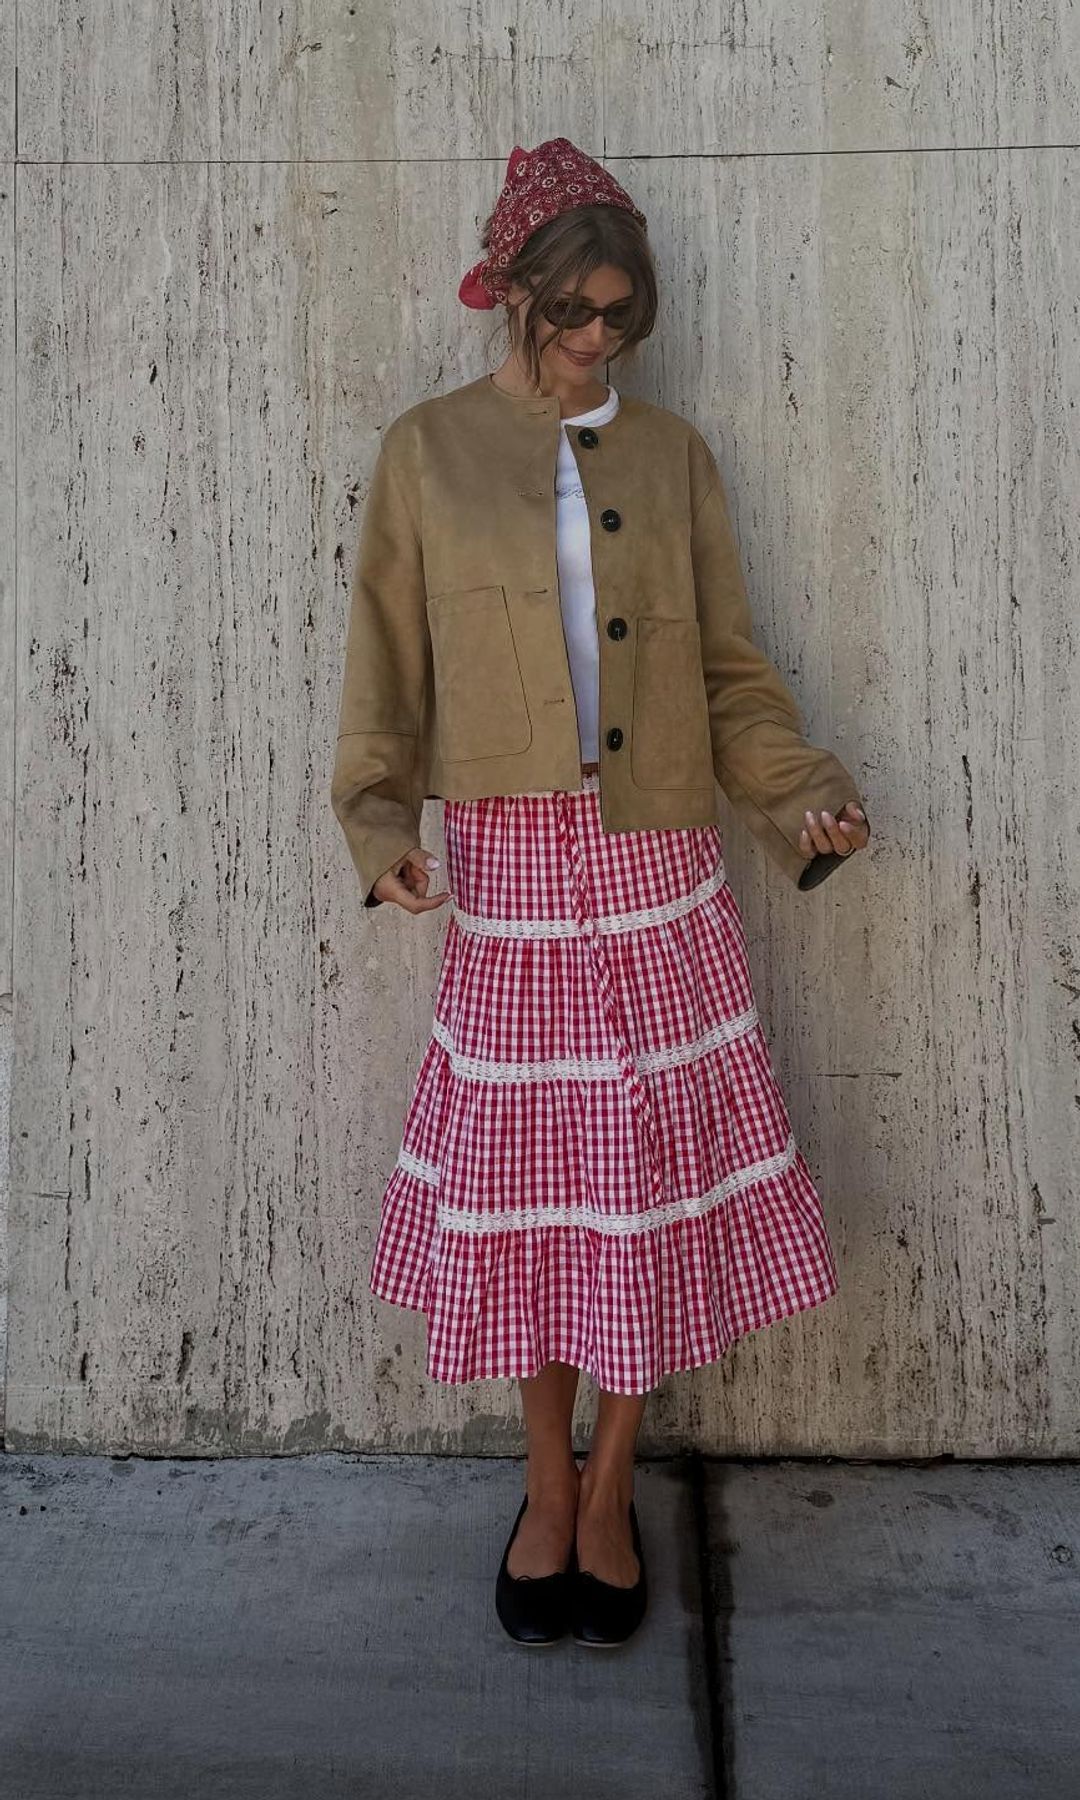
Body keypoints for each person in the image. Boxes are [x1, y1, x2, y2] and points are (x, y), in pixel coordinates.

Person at [331, 137, 871, 1649]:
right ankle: (543, 1482)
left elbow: (728, 671)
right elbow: (384, 665)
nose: (594, 343)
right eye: (573, 313)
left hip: (656, 860)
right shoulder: (428, 453)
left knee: (642, 1186)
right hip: (507, 858)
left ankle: (617, 1480)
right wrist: (378, 828)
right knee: (532, 1187)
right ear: (514, 294)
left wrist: (800, 790)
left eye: (618, 320)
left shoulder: (673, 454)